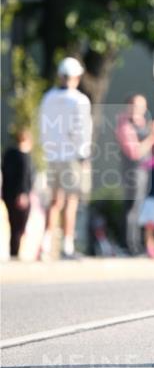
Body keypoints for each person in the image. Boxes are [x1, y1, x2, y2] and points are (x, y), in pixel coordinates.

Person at [39, 56, 92, 261]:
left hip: (52, 155)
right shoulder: (79, 100)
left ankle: (45, 244)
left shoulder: (48, 98)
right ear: (76, 77)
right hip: (71, 156)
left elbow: (43, 128)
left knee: (54, 202)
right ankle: (67, 246)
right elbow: (81, 131)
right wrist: (84, 155)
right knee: (71, 201)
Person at [115, 95, 154, 256]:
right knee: (132, 209)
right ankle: (130, 246)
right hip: (133, 173)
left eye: (142, 106)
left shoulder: (141, 124)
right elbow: (135, 152)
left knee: (139, 209)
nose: (139, 110)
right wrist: (152, 135)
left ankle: (137, 244)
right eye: (136, 106)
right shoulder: (125, 125)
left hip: (144, 171)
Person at [1, 127, 34, 258]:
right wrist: (23, 193)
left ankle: (14, 251)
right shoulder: (24, 157)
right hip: (20, 195)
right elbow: (24, 177)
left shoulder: (8, 154)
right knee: (19, 226)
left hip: (8, 194)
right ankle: (15, 252)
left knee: (13, 225)